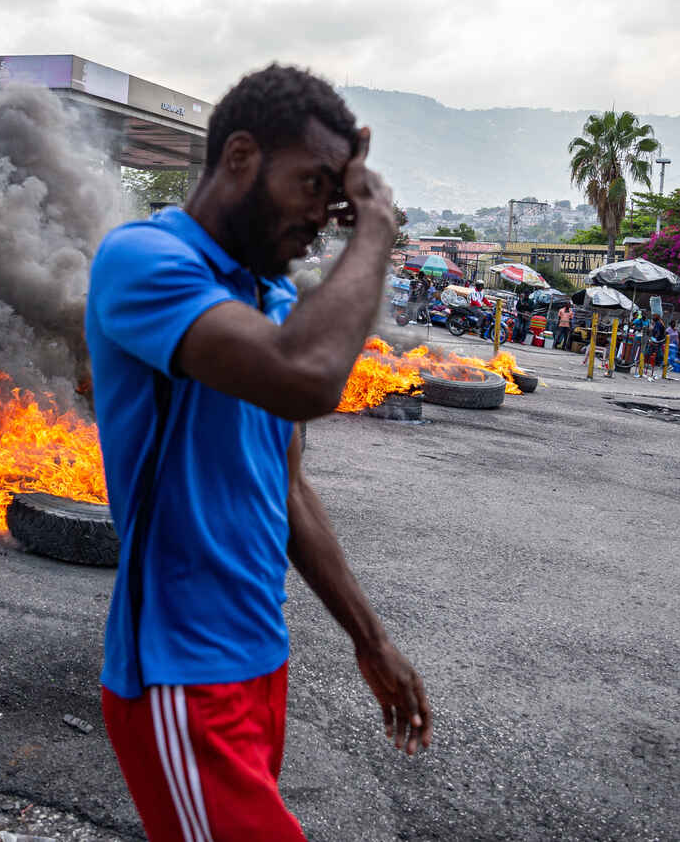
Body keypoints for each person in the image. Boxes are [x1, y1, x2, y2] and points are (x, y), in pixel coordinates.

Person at [86, 65, 430, 842]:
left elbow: (289, 487)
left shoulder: (270, 298)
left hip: (258, 658)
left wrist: (369, 638)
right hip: (178, 673)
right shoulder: (143, 260)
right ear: (240, 156)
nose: (323, 214)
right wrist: (375, 224)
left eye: (334, 194)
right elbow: (304, 377)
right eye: (311, 184)